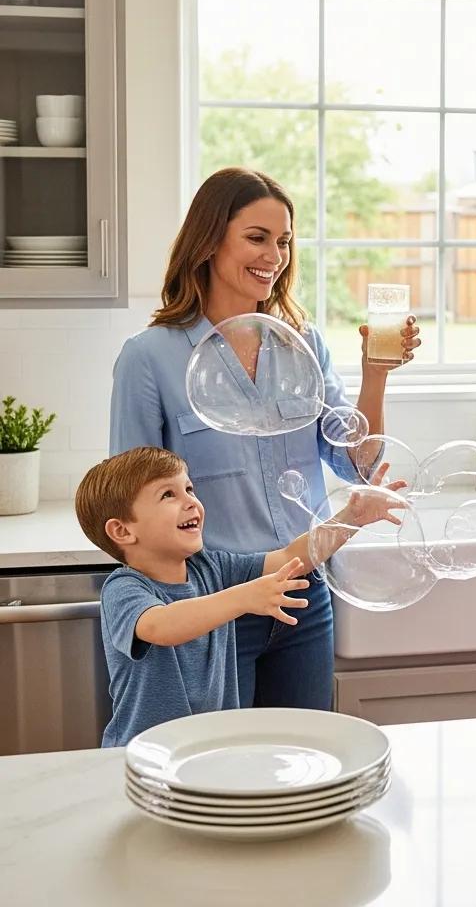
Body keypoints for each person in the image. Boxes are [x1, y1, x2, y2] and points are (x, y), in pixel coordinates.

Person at [109, 167, 421, 712]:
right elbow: (126, 504)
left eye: (283, 241)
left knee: (304, 764)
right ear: (208, 241)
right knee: (224, 773)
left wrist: (377, 373)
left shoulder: (303, 344)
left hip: (304, 593)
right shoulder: (149, 357)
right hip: (215, 603)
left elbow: (357, 464)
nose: (273, 256)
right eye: (256, 238)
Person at [75, 446, 405, 746]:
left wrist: (351, 519)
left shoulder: (210, 567)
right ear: (123, 531)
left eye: (189, 489)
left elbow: (291, 558)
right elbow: (160, 627)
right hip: (140, 758)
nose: (190, 500)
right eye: (168, 495)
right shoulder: (124, 588)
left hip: (208, 751)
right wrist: (244, 597)